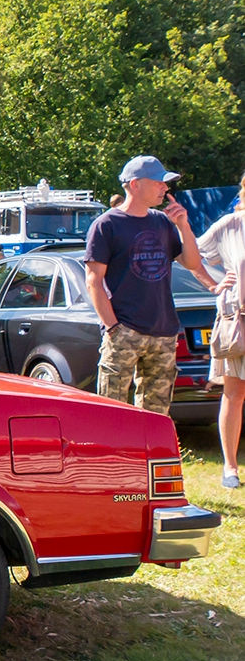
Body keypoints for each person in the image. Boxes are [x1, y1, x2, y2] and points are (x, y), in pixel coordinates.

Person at [85, 155, 218, 415]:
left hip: (164, 331)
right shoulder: (106, 225)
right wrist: (113, 327)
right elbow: (93, 281)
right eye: (159, 182)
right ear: (135, 184)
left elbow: (191, 262)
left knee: (156, 414)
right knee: (112, 410)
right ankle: (113, 456)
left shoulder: (161, 222)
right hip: (124, 331)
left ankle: (147, 457)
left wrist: (183, 225)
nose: (165, 188)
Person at [197, 172, 245, 488]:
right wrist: (216, 283)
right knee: (235, 393)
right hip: (238, 320)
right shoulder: (231, 225)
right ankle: (230, 468)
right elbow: (193, 253)